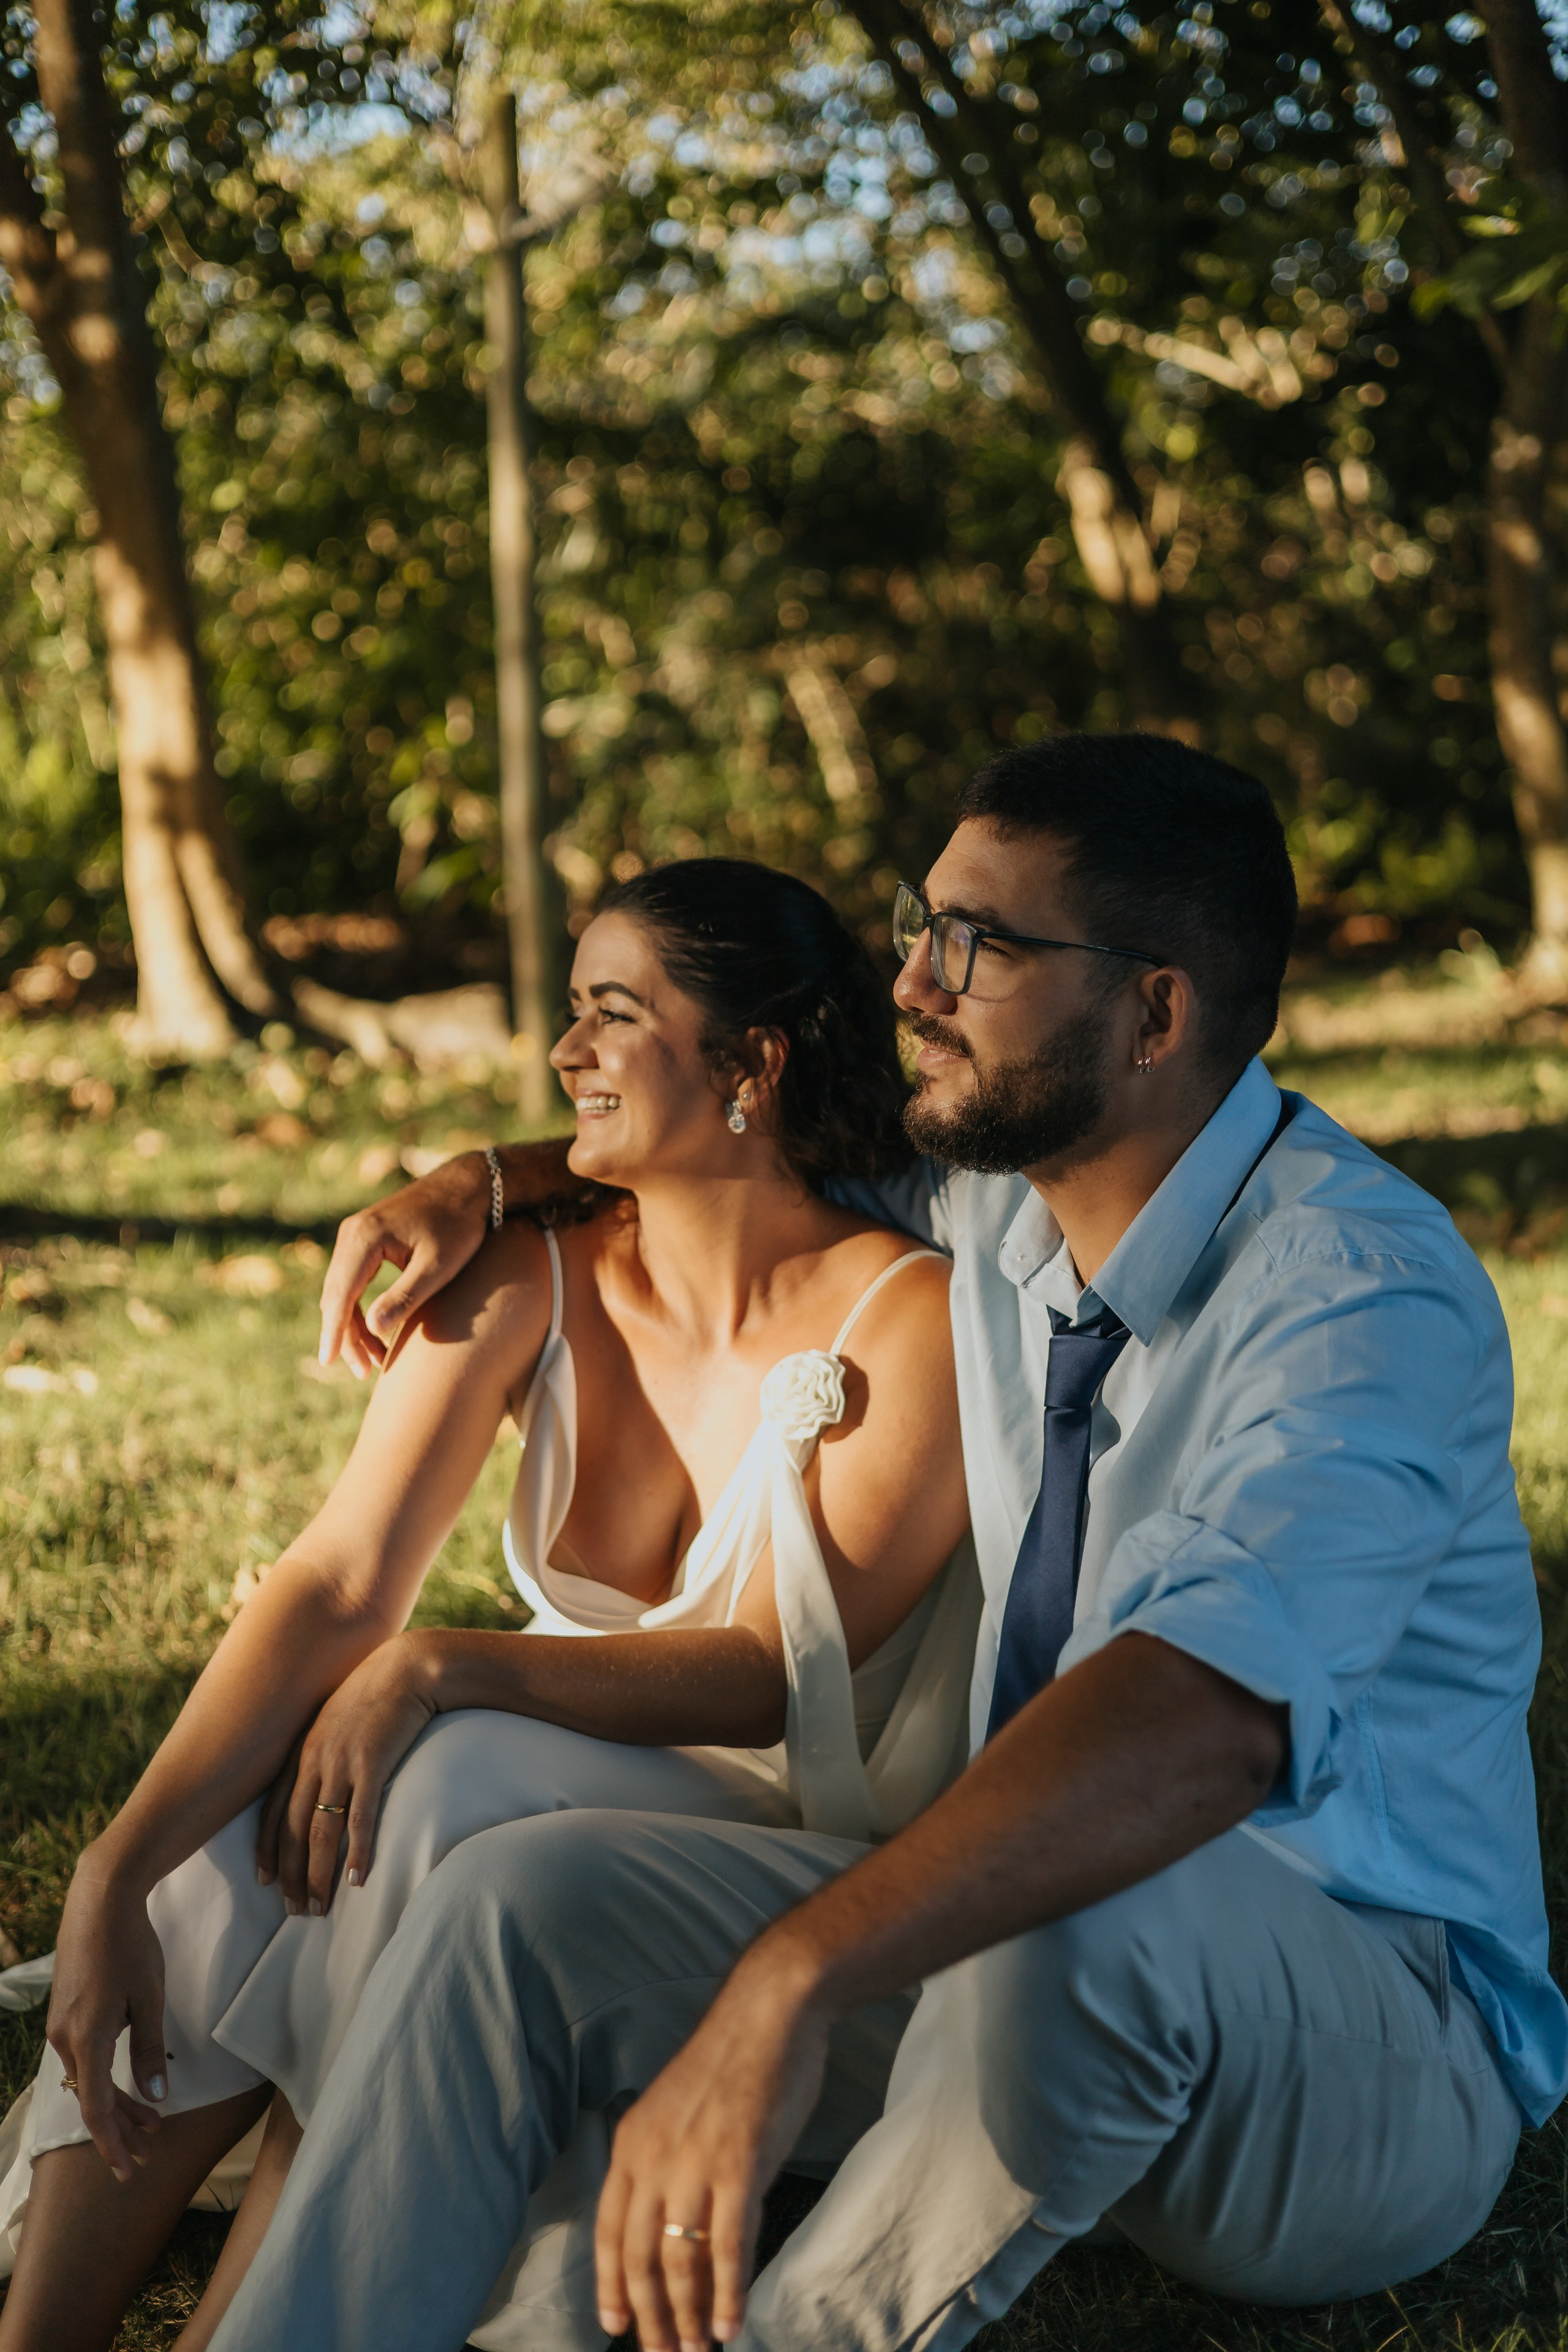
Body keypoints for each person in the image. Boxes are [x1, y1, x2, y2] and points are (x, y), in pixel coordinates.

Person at [197, 731, 1565, 2352]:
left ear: (1154, 1013)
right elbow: (747, 1143)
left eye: (975, 946)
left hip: (1359, 2045)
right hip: (1008, 1959)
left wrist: (787, 1979)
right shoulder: (1001, 1198)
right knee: (518, 1904)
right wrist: (484, 1178)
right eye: (923, 925)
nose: (912, 983)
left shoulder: (1358, 1301)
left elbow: (1200, 1723)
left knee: (1076, 1908)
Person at [0, 861, 978, 2352]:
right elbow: (338, 1576)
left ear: (750, 1063)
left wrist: (440, 1665)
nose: (565, 1055)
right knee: (270, 1792)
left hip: (777, 1825)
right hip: (540, 1761)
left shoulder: (902, 1315)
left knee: (428, 1768)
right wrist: (116, 1870)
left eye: (610, 1014)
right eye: (569, 1013)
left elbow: (771, 1675)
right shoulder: (527, 1273)